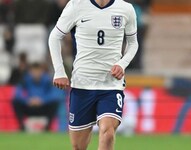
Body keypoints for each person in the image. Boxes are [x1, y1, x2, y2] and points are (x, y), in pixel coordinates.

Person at [48, 0, 138, 149]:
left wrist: (122, 64)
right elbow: (54, 37)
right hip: (82, 84)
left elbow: (133, 43)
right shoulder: (76, 5)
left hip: (111, 85)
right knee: (78, 146)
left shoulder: (125, 8)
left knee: (107, 134)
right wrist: (59, 71)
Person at [12, 62, 63, 131]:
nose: (36, 73)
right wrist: (27, 100)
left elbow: (55, 94)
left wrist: (42, 100)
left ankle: (47, 127)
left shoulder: (47, 80)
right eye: (34, 71)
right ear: (30, 72)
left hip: (43, 106)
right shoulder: (25, 79)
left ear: (41, 71)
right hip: (29, 106)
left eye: (37, 71)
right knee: (15, 102)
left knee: (55, 103)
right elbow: (18, 93)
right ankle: (22, 126)